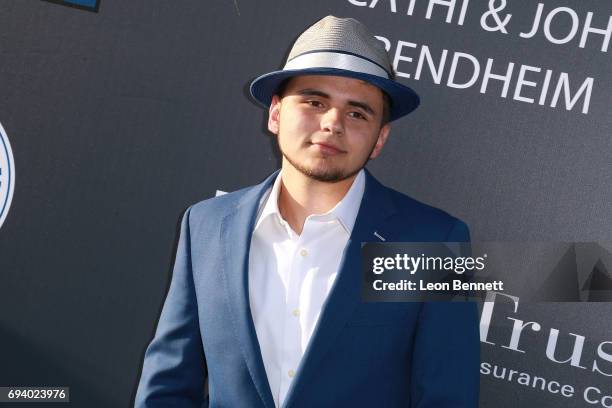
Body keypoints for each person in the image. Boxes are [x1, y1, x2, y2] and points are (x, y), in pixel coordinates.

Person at [135, 15, 479, 408]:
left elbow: (447, 398)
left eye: (357, 112)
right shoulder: (206, 225)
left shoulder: (432, 242)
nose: (332, 123)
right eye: (315, 102)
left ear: (380, 138)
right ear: (276, 114)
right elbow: (168, 386)